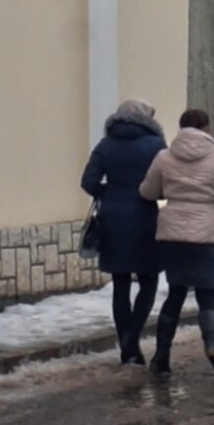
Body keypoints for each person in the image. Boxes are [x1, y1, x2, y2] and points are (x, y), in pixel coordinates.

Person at [140, 106, 214, 379]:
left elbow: (147, 191)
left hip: (171, 233)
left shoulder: (164, 157)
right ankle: (212, 345)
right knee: (206, 295)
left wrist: (168, 201)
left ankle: (161, 356)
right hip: (205, 234)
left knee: (175, 293)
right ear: (206, 129)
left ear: (180, 127)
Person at [80, 98, 165, 364]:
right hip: (145, 216)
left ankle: (127, 346)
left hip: (113, 217)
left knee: (121, 282)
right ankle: (132, 339)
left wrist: (110, 192)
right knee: (149, 280)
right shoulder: (156, 145)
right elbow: (166, 181)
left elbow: (88, 182)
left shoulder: (106, 145)